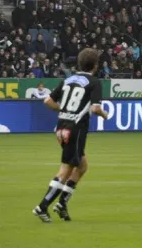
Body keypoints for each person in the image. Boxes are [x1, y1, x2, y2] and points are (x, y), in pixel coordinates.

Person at [33, 47, 110, 223]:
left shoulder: (68, 80)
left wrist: (63, 110)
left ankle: (62, 203)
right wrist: (105, 115)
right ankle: (42, 206)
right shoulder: (94, 82)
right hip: (75, 129)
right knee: (66, 169)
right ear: (95, 65)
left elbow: (48, 101)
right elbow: (96, 108)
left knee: (82, 165)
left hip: (61, 128)